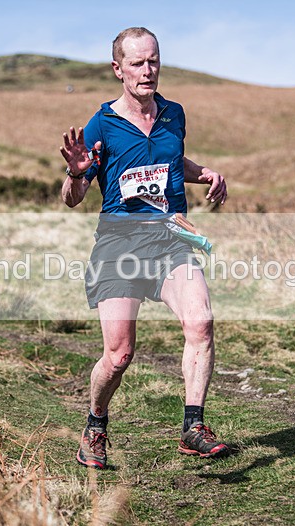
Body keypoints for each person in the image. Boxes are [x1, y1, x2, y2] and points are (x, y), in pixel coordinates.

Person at [59, 27, 229, 469]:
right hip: (118, 246)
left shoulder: (174, 114)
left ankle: (193, 427)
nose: (147, 69)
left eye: (153, 60)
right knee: (118, 356)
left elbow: (172, 160)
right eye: (137, 63)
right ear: (118, 69)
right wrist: (79, 174)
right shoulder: (102, 124)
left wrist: (205, 172)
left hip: (171, 240)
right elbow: (71, 197)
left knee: (202, 322)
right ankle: (95, 426)